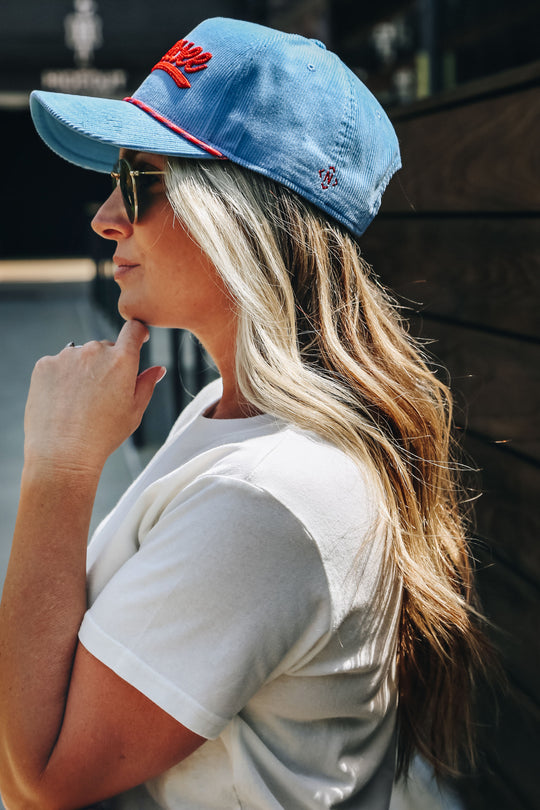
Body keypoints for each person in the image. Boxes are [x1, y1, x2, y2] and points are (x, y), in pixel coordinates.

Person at [0, 17, 490, 810]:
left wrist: (58, 465)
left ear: (243, 215)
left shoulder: (269, 492)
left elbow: (34, 777)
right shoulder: (231, 412)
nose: (104, 218)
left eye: (138, 180)